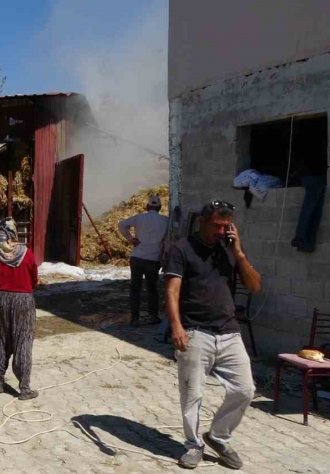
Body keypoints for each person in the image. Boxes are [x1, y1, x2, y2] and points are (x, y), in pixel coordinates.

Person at [163, 200, 261, 470]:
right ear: (202, 222)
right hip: (195, 332)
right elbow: (172, 291)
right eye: (217, 226)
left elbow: (254, 287)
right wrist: (176, 326)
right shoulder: (181, 249)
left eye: (225, 227)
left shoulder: (228, 250)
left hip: (229, 332)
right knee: (192, 394)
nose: (221, 231)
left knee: (245, 390)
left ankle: (217, 436)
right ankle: (193, 445)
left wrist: (239, 253)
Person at [0, 217, 39, 400]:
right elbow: (33, 279)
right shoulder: (27, 254)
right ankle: (24, 388)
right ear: (14, 233)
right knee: (23, 340)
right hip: (24, 300)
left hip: (1, 300)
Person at [118, 194, 169, 327]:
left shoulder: (139, 218)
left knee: (135, 288)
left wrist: (131, 239)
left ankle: (135, 318)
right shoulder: (165, 221)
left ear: (147, 206)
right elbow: (168, 240)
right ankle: (153, 316)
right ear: (159, 207)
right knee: (152, 288)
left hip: (137, 258)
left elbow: (122, 225)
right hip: (153, 259)